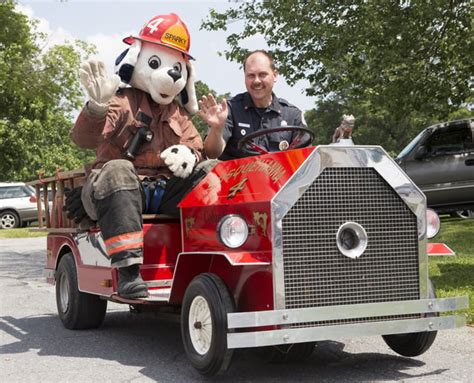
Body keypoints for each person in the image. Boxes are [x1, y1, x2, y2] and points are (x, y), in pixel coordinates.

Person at [65, 13, 204, 299]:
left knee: (212, 171)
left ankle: (210, 253)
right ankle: (128, 272)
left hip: (162, 190)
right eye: (156, 63)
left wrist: (191, 154)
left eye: (177, 67)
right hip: (113, 190)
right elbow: (84, 139)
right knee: (117, 168)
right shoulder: (119, 101)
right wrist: (97, 107)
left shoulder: (178, 114)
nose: (170, 74)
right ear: (138, 61)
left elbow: (198, 149)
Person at [198, 50, 308, 160]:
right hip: (238, 176)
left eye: (262, 75)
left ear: (274, 75)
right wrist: (216, 129)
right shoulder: (229, 110)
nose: (256, 81)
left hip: (283, 176)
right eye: (251, 75)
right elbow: (211, 153)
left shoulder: (293, 116)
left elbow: (305, 161)